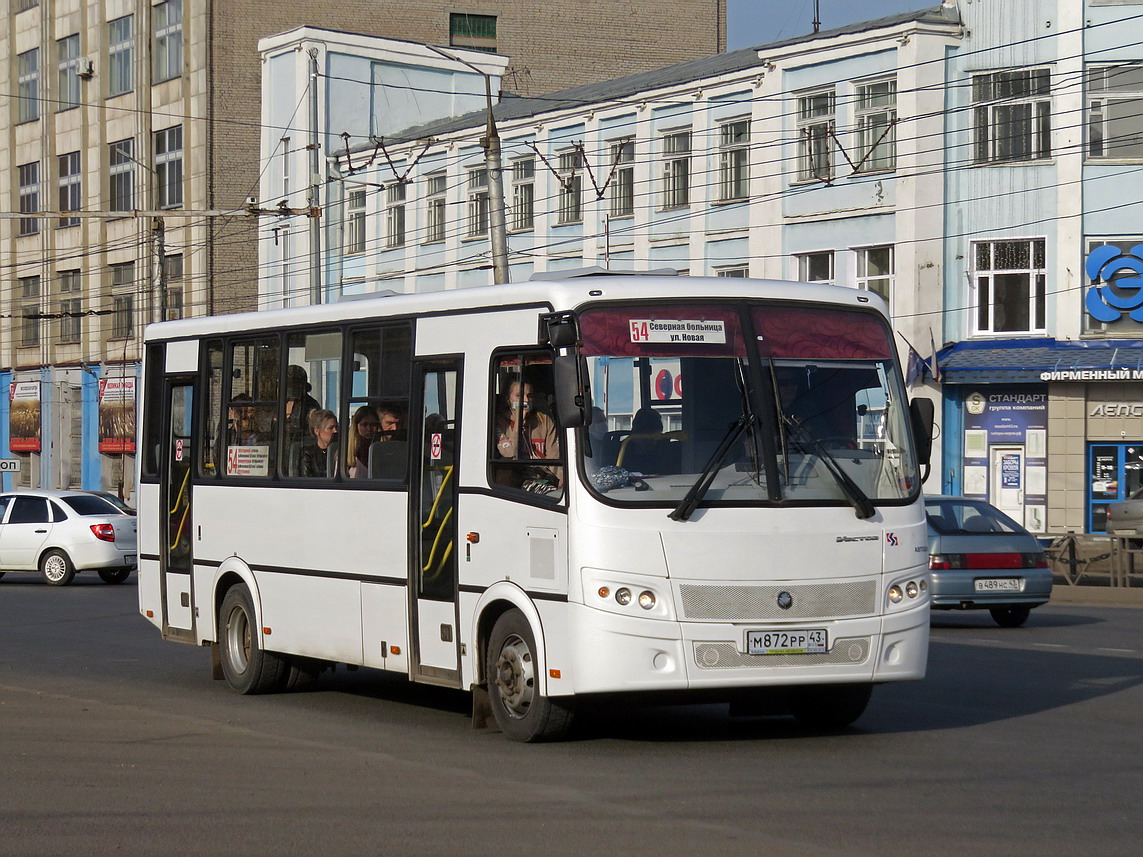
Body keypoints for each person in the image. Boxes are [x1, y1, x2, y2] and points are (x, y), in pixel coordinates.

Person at [495, 380, 562, 492]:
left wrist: (561, 478)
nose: (525, 400)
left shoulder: (544, 421)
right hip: (515, 482)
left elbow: (554, 456)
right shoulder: (500, 422)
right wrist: (518, 423)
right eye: (519, 396)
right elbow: (509, 452)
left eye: (529, 396)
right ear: (508, 399)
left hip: (542, 478)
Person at [299, 409, 338, 477]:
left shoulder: (341, 451)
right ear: (317, 431)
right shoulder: (308, 454)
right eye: (330, 428)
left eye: (336, 427)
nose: (335, 431)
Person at [346, 405, 381, 478]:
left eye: (373, 424)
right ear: (356, 426)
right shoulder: (345, 453)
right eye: (364, 425)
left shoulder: (383, 450)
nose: (369, 429)